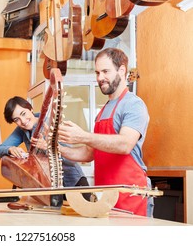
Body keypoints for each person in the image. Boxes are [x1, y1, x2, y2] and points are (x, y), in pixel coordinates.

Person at [57, 48, 153, 217]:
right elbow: (89, 153)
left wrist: (82, 136)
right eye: (97, 72)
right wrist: (56, 149)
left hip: (130, 195)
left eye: (105, 71)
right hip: (106, 199)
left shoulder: (133, 105)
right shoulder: (102, 112)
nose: (100, 78)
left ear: (122, 70)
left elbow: (125, 144)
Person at [0, 96, 90, 189]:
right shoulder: (21, 130)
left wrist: (48, 147)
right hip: (48, 185)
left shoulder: (50, 124)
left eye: (23, 114)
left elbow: (70, 159)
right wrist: (10, 149)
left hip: (73, 181)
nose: (23, 121)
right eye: (16, 119)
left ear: (30, 109)